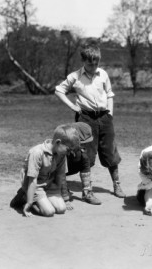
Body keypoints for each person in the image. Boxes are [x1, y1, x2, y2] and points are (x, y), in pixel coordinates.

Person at [55, 43, 125, 198]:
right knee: (86, 154)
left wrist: (110, 113)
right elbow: (59, 90)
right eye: (89, 63)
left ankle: (117, 185)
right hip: (85, 119)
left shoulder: (103, 75)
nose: (93, 66)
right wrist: (73, 106)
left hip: (104, 117)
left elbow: (109, 94)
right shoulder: (75, 77)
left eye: (96, 63)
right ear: (83, 61)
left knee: (110, 152)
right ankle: (87, 190)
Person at [10, 124, 81, 217]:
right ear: (58, 142)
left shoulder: (62, 154)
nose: (69, 153)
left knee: (61, 209)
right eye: (68, 149)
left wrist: (65, 198)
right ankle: (24, 197)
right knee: (49, 212)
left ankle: (42, 199)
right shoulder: (36, 152)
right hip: (35, 185)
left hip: (49, 184)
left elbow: (61, 176)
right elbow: (32, 179)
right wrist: (30, 203)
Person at [60, 122, 101, 207]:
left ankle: (87, 193)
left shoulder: (81, 151)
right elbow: (59, 174)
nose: (85, 145)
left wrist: (87, 188)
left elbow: (85, 167)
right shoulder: (62, 150)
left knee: (84, 158)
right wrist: (65, 196)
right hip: (52, 175)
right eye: (82, 143)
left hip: (69, 169)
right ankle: (61, 190)